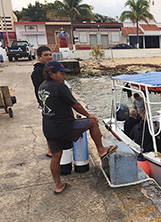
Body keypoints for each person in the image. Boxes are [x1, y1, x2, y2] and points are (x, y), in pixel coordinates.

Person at [38, 61, 117, 195]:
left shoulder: (41, 86)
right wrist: (88, 115)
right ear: (51, 73)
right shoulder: (59, 87)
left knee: (56, 156)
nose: (64, 77)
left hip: (49, 128)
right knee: (92, 122)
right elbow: (76, 105)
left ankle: (58, 185)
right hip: (64, 126)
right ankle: (101, 150)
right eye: (61, 73)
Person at [31, 45, 53, 157]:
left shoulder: (48, 69)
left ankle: (53, 148)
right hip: (45, 103)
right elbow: (41, 89)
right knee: (49, 126)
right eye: (46, 55)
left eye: (50, 54)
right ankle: (50, 149)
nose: (49, 57)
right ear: (39, 57)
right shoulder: (38, 71)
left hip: (51, 102)